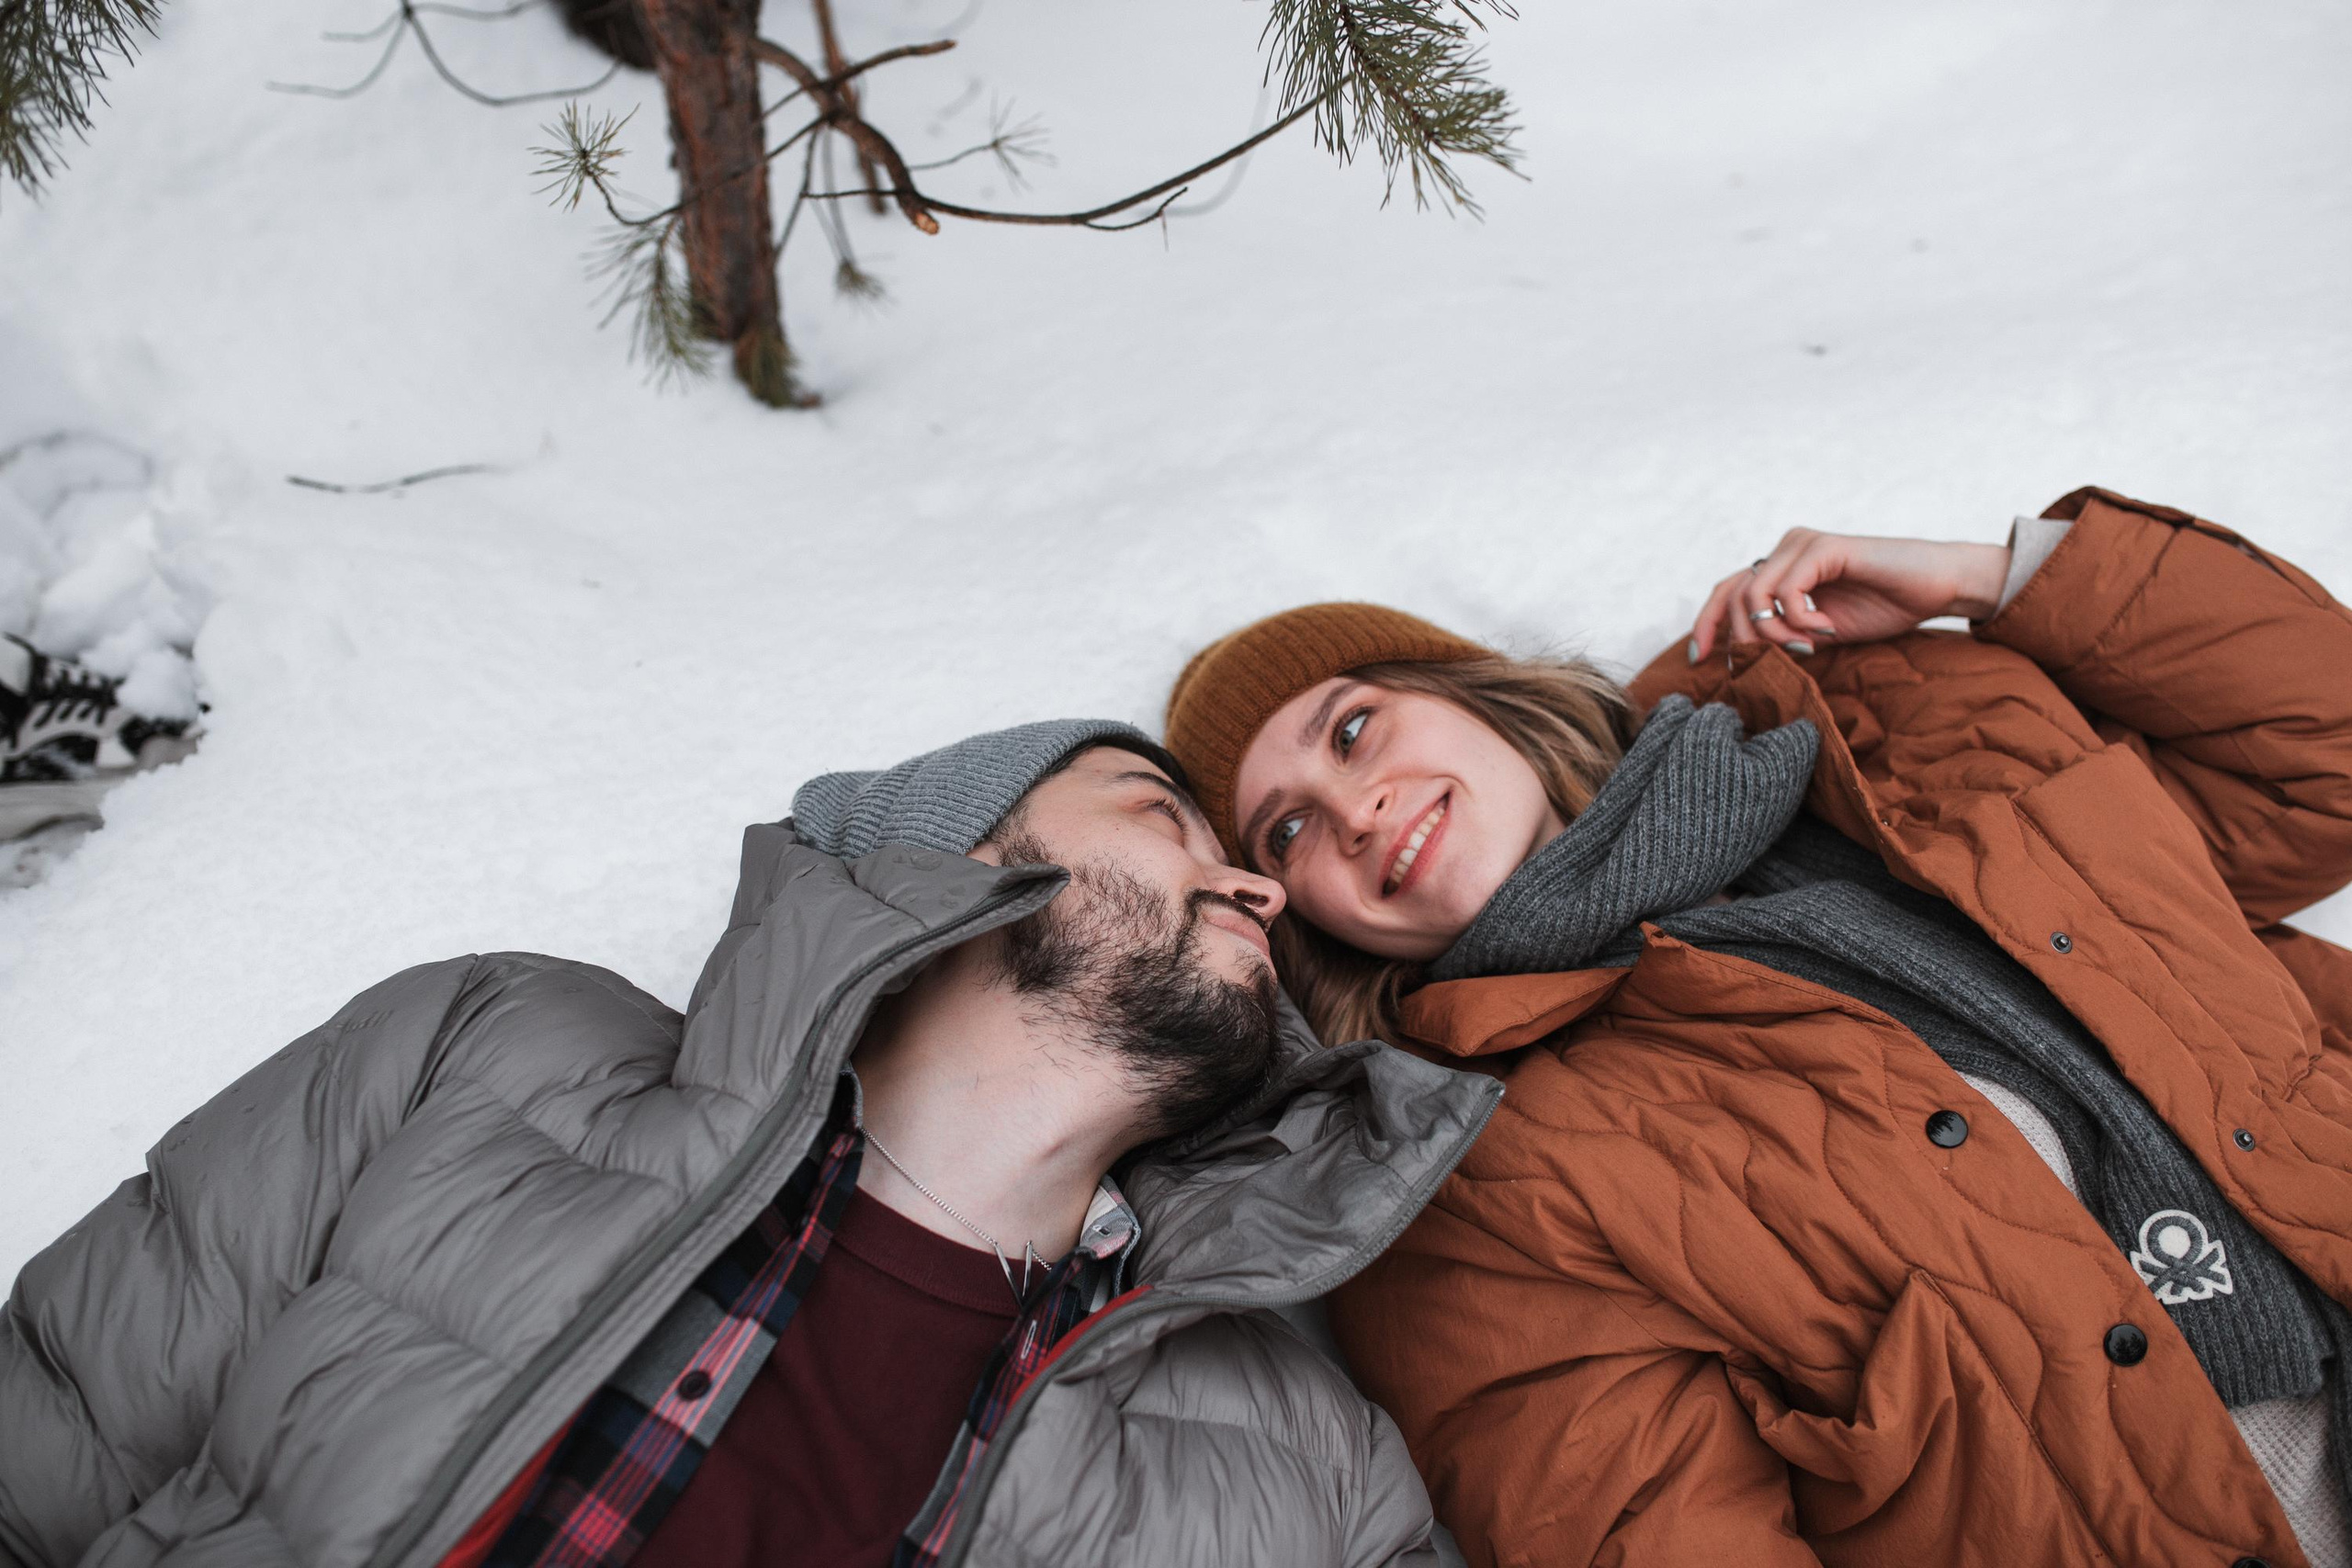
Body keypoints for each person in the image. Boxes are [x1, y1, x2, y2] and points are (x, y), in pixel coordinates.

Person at [1161, 487, 2352, 1568]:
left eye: (1354, 728)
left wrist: (1994, 577)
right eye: (1286, 833)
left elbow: (2326, 764)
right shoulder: (1465, 1178)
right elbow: (1649, 1529)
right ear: (1308, 923)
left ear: (1472, 692)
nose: (1352, 811)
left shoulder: (1901, 732)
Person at [0, 718, 1495, 1568]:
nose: (1258, 892)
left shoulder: (1316, 1474)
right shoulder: (487, 1051)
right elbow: (40, 1462)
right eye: (1166, 816)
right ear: (947, 865)